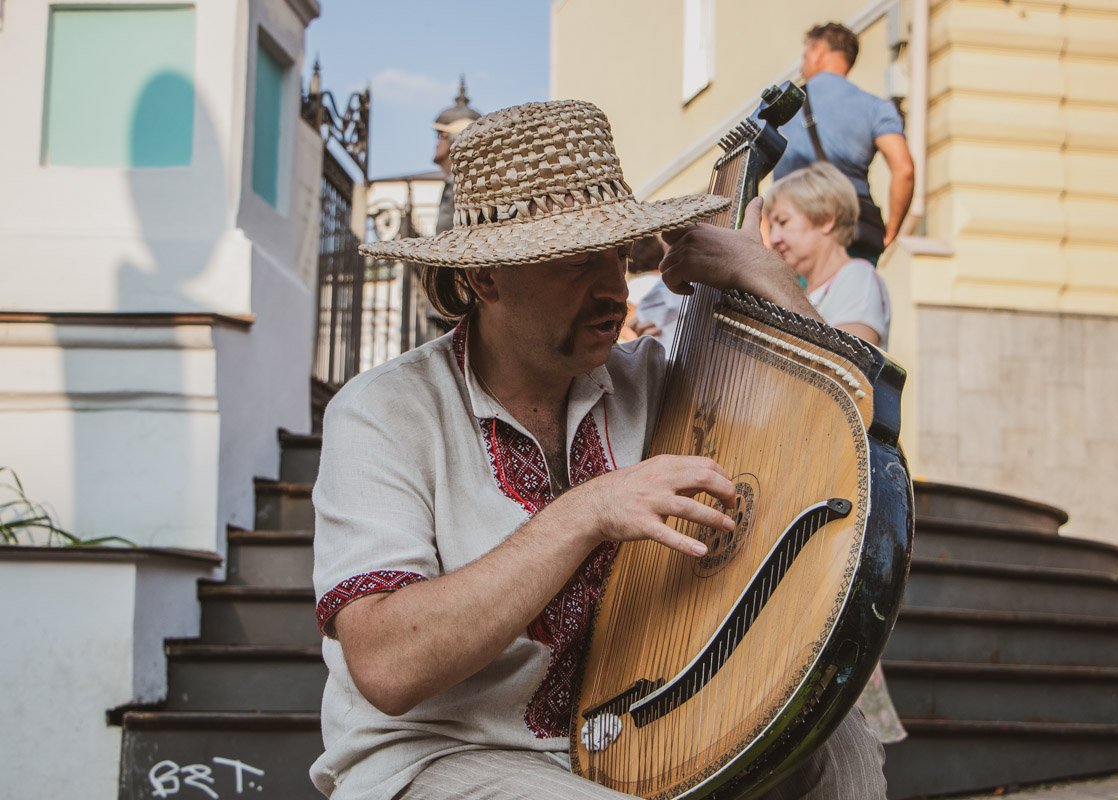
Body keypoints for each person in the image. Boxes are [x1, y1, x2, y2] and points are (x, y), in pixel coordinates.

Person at [310, 99, 888, 800]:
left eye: (618, 254)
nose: (614, 288)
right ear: (486, 278)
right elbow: (387, 665)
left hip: (640, 734)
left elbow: (836, 428)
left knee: (834, 742)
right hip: (436, 757)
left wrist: (765, 277)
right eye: (577, 262)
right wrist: (586, 513)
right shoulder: (383, 413)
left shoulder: (653, 383)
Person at [774, 22, 915, 262]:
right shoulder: (876, 108)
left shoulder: (783, 106)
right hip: (853, 233)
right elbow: (905, 170)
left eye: (805, 54)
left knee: (793, 299)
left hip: (792, 235)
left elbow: (752, 168)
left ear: (819, 51)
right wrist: (891, 231)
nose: (802, 63)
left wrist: (767, 231)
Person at [765, 162, 891, 349]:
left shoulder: (858, 278)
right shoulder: (809, 291)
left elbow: (846, 366)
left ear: (826, 219)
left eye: (783, 222)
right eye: (771, 228)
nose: (773, 238)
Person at [432, 77, 482, 234]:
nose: (436, 143)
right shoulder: (454, 183)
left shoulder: (465, 185)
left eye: (441, 135)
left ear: (455, 141)